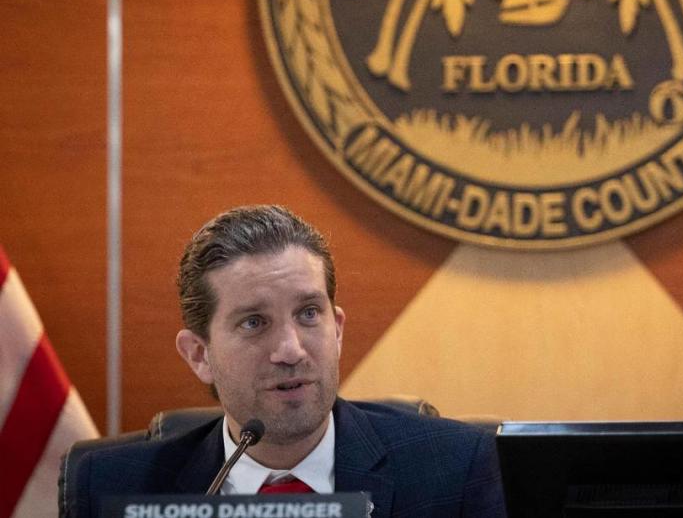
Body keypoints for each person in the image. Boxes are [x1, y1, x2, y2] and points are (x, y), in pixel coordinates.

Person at [65, 205, 507, 517]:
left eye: (308, 314)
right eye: (255, 323)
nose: (291, 350)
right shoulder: (115, 487)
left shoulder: (453, 467)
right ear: (199, 355)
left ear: (337, 329)